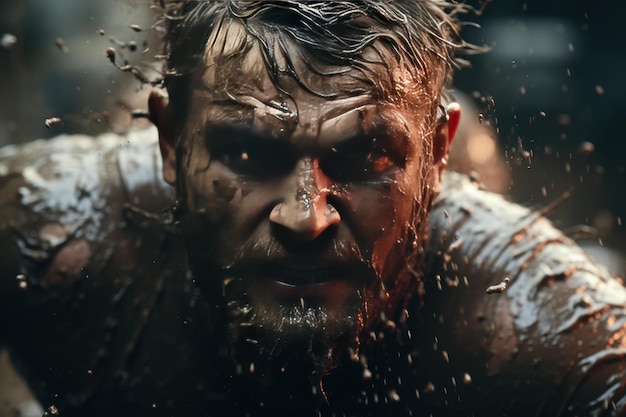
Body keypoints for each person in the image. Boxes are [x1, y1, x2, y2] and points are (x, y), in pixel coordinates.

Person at [1, 1, 625, 416]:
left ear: (436, 156)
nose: (306, 218)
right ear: (168, 143)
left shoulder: (538, 330)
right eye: (248, 154)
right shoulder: (55, 236)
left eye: (364, 158)